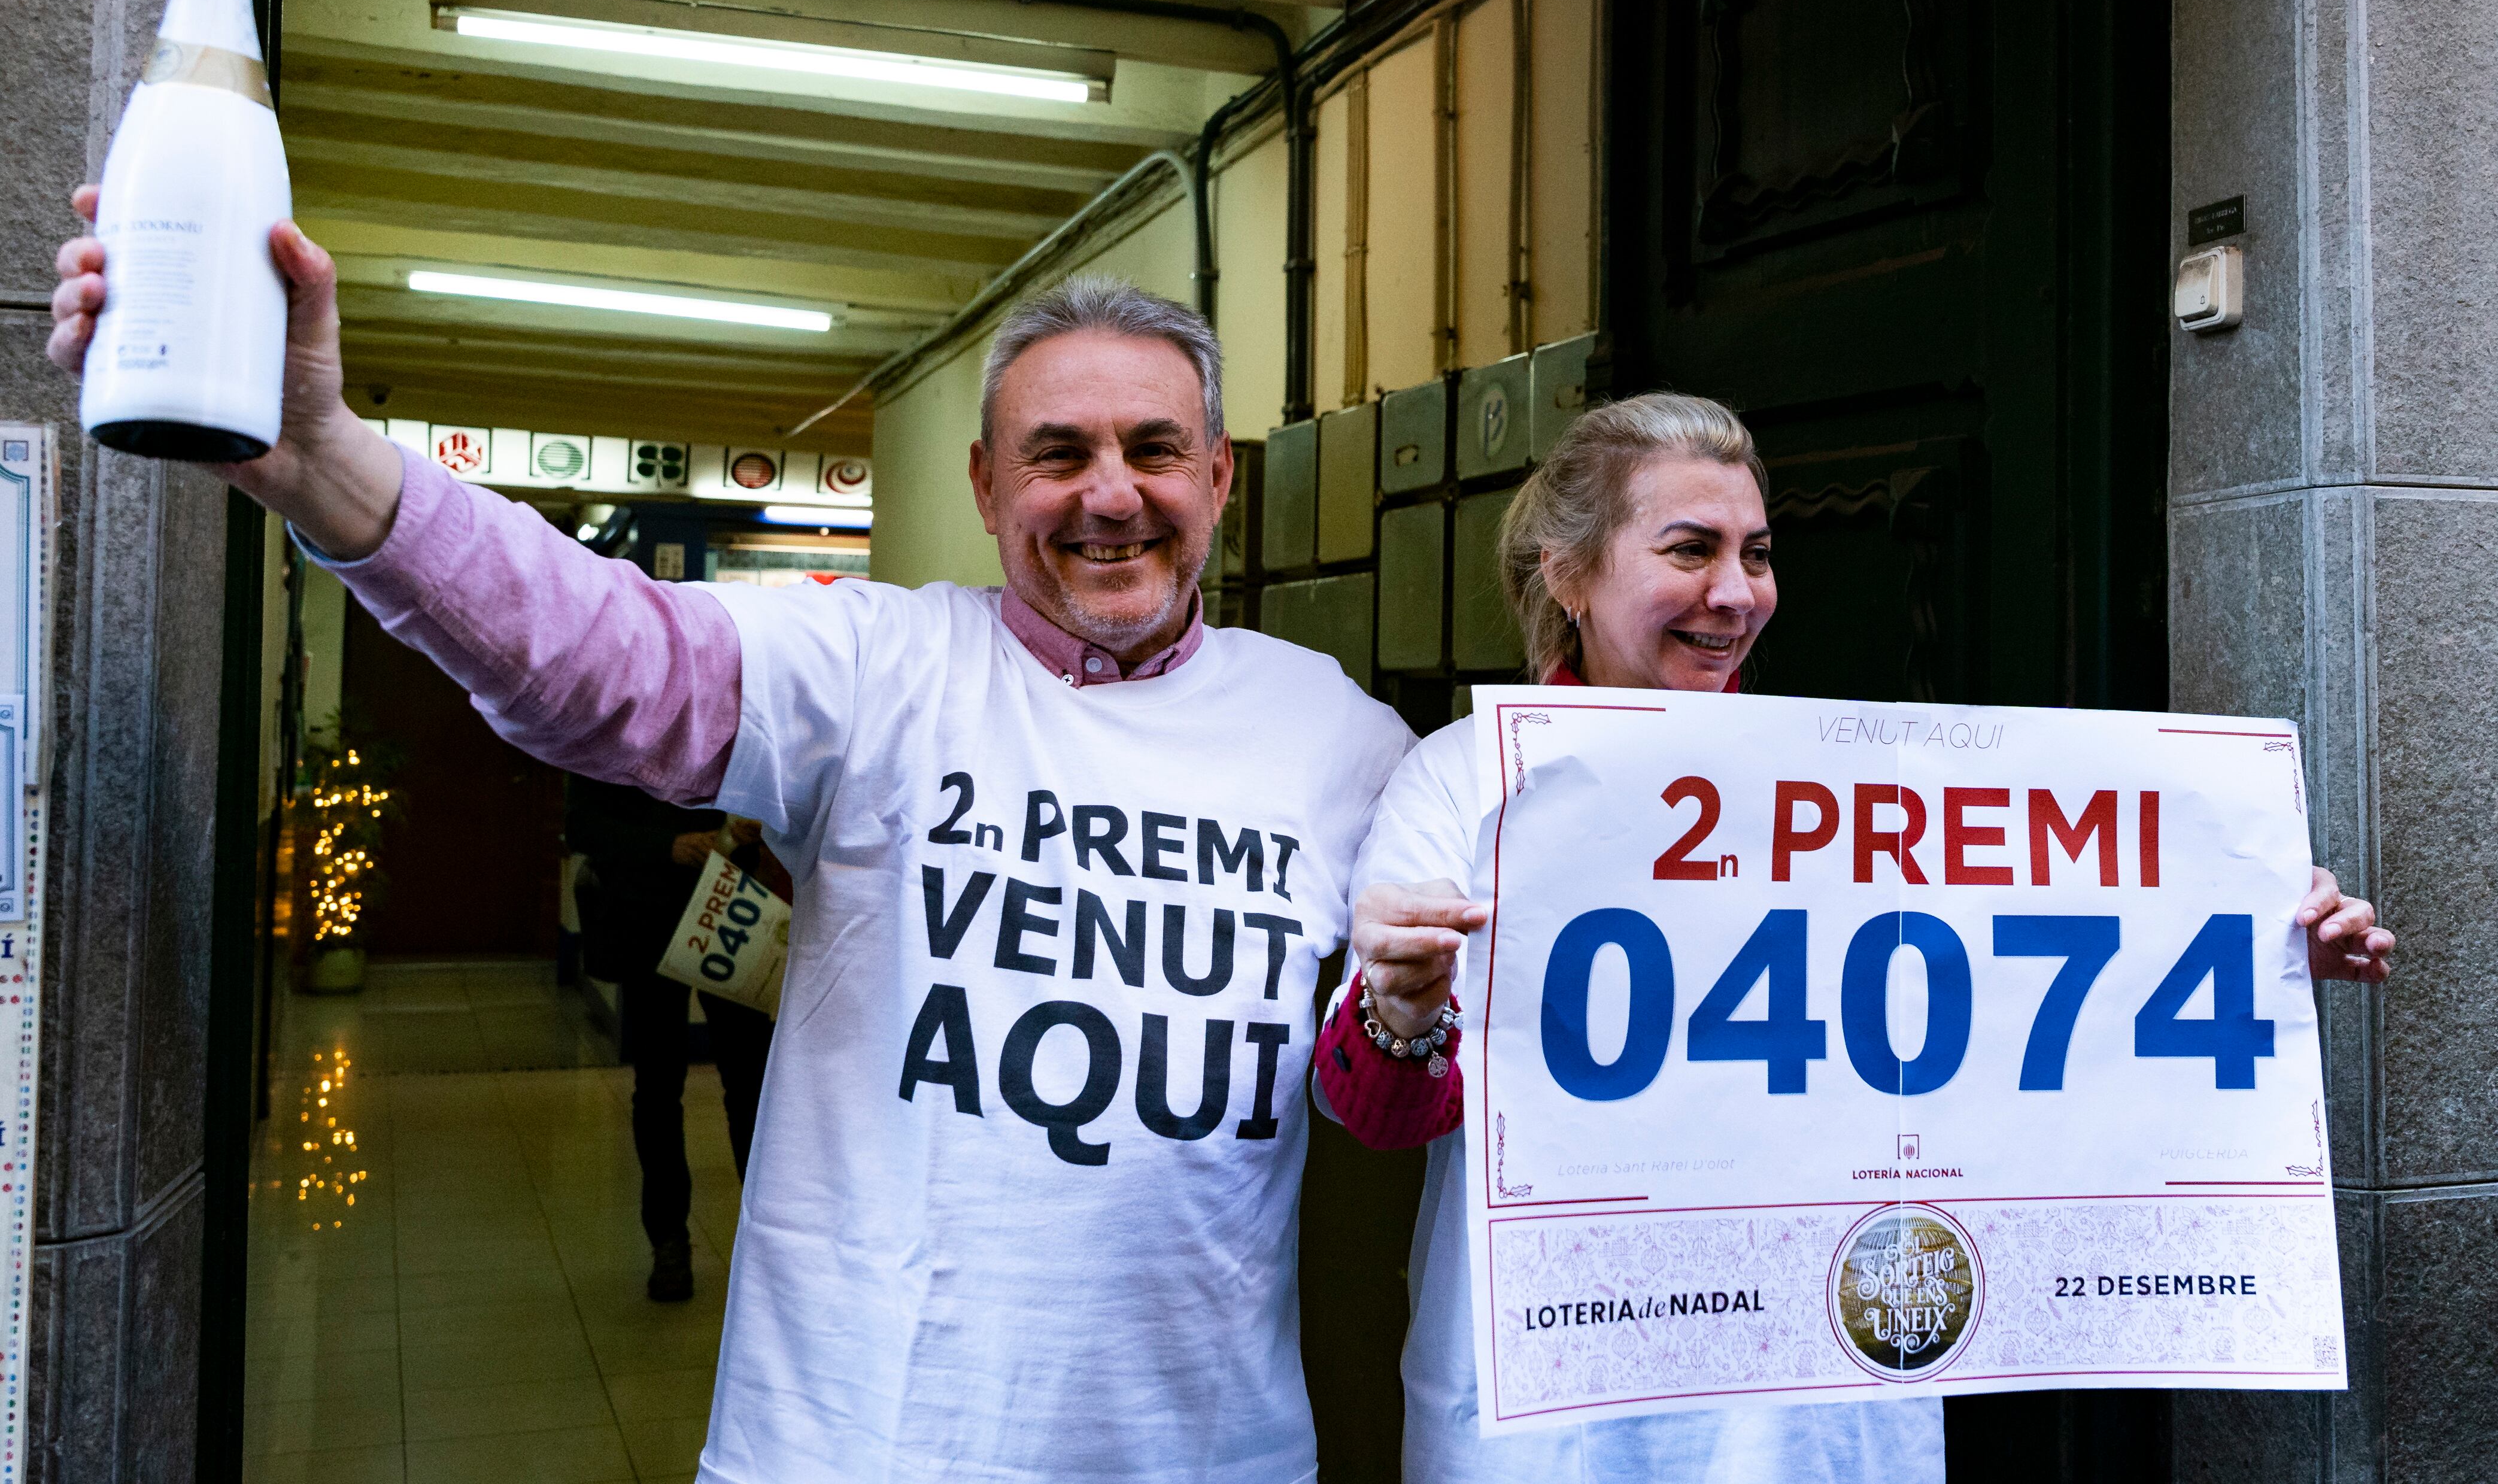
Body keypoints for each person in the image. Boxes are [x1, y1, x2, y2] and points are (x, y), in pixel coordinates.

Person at [47, 195, 1412, 1484]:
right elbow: (604, 658)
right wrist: (328, 466)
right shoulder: (874, 664)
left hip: (1209, 1451)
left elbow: (1405, 1077)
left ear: (1219, 475)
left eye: (1154, 448)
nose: (1110, 493)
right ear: (990, 486)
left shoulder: (1343, 743)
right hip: (853, 1448)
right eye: (1059, 453)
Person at [1320, 392, 2393, 1483]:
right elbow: (1377, 1114)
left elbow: (2027, 1024)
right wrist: (1400, 1008)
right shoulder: (1462, 782)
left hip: (1819, 1430)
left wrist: (2243, 954)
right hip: (1558, 1432)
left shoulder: (1869, 788)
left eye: (1756, 553)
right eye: (1689, 549)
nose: (1734, 594)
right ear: (1568, 572)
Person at [564, 779, 776, 1301]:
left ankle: (768, 1247)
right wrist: (669, 847)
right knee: (659, 1087)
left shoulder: (738, 709)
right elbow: (583, 826)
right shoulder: (614, 718)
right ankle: (668, 1242)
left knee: (751, 1086)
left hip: (730, 908)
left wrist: (762, 823)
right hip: (647, 915)